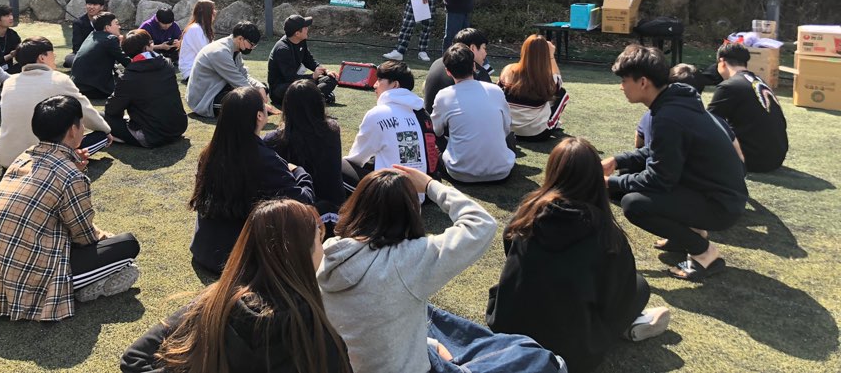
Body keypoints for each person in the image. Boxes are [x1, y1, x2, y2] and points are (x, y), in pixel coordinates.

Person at [319, 167, 563, 373]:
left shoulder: (329, 254)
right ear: (410, 212)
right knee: (532, 355)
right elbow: (481, 223)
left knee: (433, 325)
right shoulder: (407, 260)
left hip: (357, 363)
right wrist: (430, 185)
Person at [487, 137, 671, 373]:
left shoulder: (525, 215)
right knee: (639, 286)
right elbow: (616, 300)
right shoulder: (607, 235)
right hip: (570, 353)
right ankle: (627, 327)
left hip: (507, 330)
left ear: (552, 172)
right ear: (595, 178)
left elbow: (510, 253)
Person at [121, 199, 352, 373]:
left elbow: (133, 359)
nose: (323, 250)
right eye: (318, 240)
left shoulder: (213, 303)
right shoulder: (320, 337)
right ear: (302, 254)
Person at [0, 95, 141, 321]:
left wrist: (76, 167)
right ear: (72, 130)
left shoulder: (24, 157)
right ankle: (86, 285)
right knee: (127, 246)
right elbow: (84, 235)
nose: (83, 129)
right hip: (29, 279)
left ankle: (91, 280)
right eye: (81, 124)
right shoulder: (69, 174)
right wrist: (108, 238)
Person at [604, 45, 748, 283]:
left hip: (721, 205)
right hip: (717, 193)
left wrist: (611, 182)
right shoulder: (676, 101)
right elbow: (660, 150)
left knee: (634, 203)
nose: (621, 86)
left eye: (624, 80)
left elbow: (659, 179)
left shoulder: (668, 116)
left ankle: (705, 254)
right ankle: (687, 234)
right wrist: (617, 161)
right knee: (629, 177)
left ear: (643, 82)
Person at [189, 86, 314, 273]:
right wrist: (300, 171)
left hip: (203, 250)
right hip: (239, 261)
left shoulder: (209, 153)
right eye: (264, 105)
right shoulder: (264, 159)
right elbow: (303, 201)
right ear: (259, 116)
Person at [0, 37, 112, 170]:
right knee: (101, 137)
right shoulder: (58, 79)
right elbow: (85, 110)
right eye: (52, 53)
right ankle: (70, 157)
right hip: (42, 162)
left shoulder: (9, 82)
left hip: (8, 158)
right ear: (42, 57)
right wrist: (106, 130)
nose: (55, 56)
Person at [341, 61, 434, 196]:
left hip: (389, 195)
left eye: (379, 80)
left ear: (395, 85)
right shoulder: (423, 113)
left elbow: (356, 159)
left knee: (339, 165)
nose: (374, 85)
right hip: (420, 193)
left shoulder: (378, 114)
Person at [264, 79, 345, 229]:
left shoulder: (275, 139)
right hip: (335, 207)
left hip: (300, 213)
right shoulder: (332, 129)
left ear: (287, 107)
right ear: (319, 104)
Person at [431, 43, 515, 183]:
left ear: (448, 71)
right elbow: (506, 128)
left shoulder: (444, 95)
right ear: (474, 66)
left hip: (460, 173)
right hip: (502, 172)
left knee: (433, 140)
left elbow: (436, 131)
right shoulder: (495, 90)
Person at [707, 42, 788, 173]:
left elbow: (707, 123)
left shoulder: (729, 86)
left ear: (722, 62)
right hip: (775, 158)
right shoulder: (760, 81)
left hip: (750, 159)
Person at [104, 29, 188, 147]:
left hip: (151, 136)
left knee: (101, 118)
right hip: (178, 127)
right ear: (147, 47)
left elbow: (112, 109)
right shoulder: (167, 64)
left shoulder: (129, 77)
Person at [186, 21, 271, 118]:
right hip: (206, 99)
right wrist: (259, 102)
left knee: (262, 88)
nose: (252, 48)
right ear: (240, 39)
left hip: (220, 88)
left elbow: (244, 75)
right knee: (244, 101)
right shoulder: (220, 52)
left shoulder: (235, 49)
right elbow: (238, 81)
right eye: (251, 44)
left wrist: (260, 87)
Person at [498, 34, 569, 142]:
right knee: (562, 93)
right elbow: (558, 80)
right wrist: (551, 56)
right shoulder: (548, 78)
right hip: (537, 134)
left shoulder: (508, 70)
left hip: (507, 129)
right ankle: (551, 123)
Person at [267, 14, 339, 107]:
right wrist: (312, 76)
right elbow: (290, 78)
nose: (307, 29)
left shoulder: (301, 41)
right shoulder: (283, 49)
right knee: (302, 87)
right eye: (305, 27)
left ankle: (313, 98)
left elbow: (309, 60)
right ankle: (317, 98)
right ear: (297, 33)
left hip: (297, 82)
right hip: (281, 88)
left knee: (331, 79)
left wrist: (326, 71)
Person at [422, 28, 493, 114]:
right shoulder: (474, 70)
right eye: (484, 48)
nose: (485, 53)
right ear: (472, 48)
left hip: (430, 119)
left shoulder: (436, 63)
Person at [70, 12, 131, 98]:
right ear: (107, 27)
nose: (119, 27)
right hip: (94, 88)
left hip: (78, 85)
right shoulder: (110, 39)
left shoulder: (92, 35)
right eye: (116, 24)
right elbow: (126, 62)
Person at [178, 0, 216, 82]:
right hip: (192, 71)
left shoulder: (202, 29)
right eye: (212, 11)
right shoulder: (195, 29)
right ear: (206, 13)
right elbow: (206, 53)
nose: (215, 13)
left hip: (202, 69)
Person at [64, 0, 105, 68]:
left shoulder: (107, 21)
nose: (91, 7)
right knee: (69, 58)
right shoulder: (79, 23)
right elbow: (77, 46)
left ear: (101, 7)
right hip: (84, 54)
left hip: (103, 53)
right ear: (85, 5)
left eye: (95, 4)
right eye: (89, 4)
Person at [0, 5, 22, 74]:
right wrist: (10, 55)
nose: (11, 18)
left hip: (9, 69)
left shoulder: (13, 34)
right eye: (7, 16)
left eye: (11, 15)